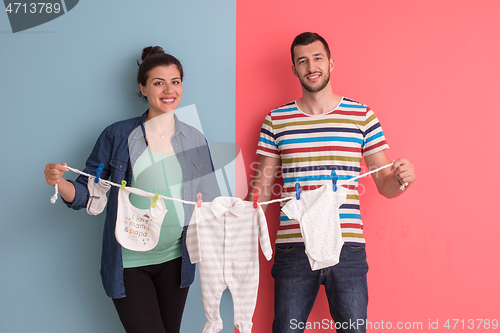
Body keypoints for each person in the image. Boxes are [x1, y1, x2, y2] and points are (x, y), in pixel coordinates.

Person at [248, 32, 416, 333]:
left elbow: (384, 183)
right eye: (302, 61)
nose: (311, 66)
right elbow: (260, 190)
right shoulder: (276, 120)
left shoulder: (362, 116)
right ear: (294, 69)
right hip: (293, 246)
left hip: (347, 246)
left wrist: (402, 180)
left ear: (330, 62)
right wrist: (230, 214)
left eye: (317, 58)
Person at [44, 46, 220, 333]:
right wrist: (59, 182)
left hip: (177, 262)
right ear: (143, 88)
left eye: (175, 81)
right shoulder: (117, 135)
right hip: (130, 264)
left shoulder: (193, 137)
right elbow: (89, 196)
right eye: (158, 82)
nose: (169, 90)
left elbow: (211, 201)